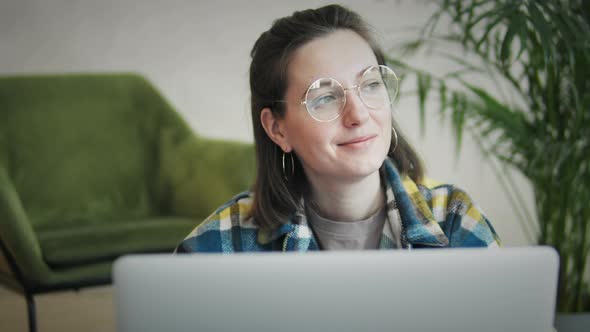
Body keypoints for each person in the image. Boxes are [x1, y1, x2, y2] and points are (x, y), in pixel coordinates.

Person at [175, 4, 500, 253]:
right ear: (277, 129)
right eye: (325, 97)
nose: (358, 115)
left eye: (371, 84)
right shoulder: (222, 244)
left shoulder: (456, 220)